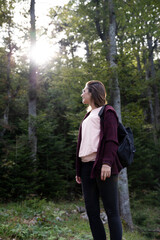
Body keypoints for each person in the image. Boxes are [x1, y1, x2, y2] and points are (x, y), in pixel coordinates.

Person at [75, 80, 123, 240]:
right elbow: (83, 143)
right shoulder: (88, 116)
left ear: (92, 92)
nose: (82, 93)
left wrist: (107, 163)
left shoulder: (107, 112)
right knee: (92, 212)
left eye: (84, 90)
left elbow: (111, 139)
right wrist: (78, 170)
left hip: (103, 165)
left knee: (111, 211)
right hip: (86, 167)